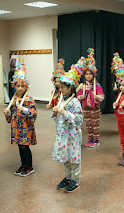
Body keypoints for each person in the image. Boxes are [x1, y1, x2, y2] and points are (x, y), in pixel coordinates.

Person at [52, 60, 84, 192]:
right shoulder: (61, 99)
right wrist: (55, 113)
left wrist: (65, 112)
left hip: (73, 135)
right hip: (62, 134)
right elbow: (58, 119)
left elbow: (78, 120)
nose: (60, 89)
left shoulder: (75, 102)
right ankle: (68, 177)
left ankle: (76, 180)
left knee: (74, 158)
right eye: (60, 87)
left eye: (63, 87)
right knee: (65, 157)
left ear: (70, 88)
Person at [3, 58, 37, 177]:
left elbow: (34, 114)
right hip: (16, 128)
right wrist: (7, 113)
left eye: (22, 86)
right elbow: (11, 117)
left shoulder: (29, 99)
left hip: (25, 128)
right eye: (18, 86)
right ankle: (23, 165)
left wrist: (26, 110)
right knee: (20, 147)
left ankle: (29, 166)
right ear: (14, 86)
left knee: (25, 147)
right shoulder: (14, 100)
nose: (20, 88)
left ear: (26, 86)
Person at [77, 48, 104, 148]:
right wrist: (81, 96)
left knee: (95, 124)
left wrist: (97, 97)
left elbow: (102, 96)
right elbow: (77, 96)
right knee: (88, 124)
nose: (88, 76)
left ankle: (96, 139)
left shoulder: (97, 85)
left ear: (93, 75)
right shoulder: (82, 86)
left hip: (94, 108)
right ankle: (90, 138)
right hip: (85, 108)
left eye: (90, 74)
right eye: (86, 74)